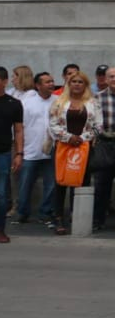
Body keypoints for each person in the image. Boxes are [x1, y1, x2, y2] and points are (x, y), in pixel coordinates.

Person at [48, 71, 101, 234]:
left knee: (81, 182)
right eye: (74, 81)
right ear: (68, 84)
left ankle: (79, 217)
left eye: (80, 82)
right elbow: (52, 125)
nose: (77, 84)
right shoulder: (59, 102)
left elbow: (98, 126)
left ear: (85, 85)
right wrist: (69, 137)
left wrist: (83, 137)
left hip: (83, 148)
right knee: (60, 183)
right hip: (63, 147)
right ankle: (58, 219)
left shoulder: (93, 103)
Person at [16, 72, 56, 226]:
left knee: (51, 184)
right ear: (37, 85)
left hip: (52, 150)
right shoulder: (27, 103)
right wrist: (20, 150)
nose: (51, 84)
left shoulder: (58, 101)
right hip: (30, 150)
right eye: (47, 82)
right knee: (25, 183)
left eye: (52, 81)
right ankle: (22, 212)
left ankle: (45, 212)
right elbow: (19, 127)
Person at [92, 67, 115, 231]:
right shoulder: (97, 98)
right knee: (101, 184)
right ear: (106, 79)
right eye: (111, 76)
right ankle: (98, 220)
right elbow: (93, 121)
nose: (114, 79)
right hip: (105, 143)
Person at [0, 67, 23, 243]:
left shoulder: (13, 103)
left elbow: (18, 130)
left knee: (1, 194)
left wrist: (19, 153)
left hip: (4, 153)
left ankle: (0, 229)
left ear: (4, 81)